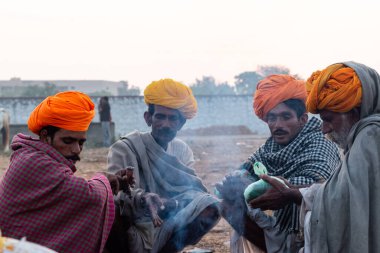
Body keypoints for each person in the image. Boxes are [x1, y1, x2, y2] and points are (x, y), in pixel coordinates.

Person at [250, 61, 380, 252]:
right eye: (272, 118)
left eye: (328, 119)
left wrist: (292, 194)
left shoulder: (370, 135)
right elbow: (342, 193)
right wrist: (293, 191)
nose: (324, 128)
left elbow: (347, 205)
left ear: (354, 112)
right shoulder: (362, 137)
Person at [216, 75, 341, 252]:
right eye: (272, 118)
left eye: (285, 116)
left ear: (303, 119)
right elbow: (246, 169)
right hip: (278, 227)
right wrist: (235, 181)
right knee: (228, 204)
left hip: (310, 227)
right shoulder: (270, 146)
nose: (277, 125)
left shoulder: (320, 142)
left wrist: (280, 189)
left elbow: (320, 188)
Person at [0, 91, 131, 253]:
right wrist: (103, 178)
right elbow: (91, 196)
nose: (76, 150)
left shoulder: (32, 155)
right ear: (45, 136)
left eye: (81, 143)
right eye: (67, 141)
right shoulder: (33, 162)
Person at [107, 78, 220, 253]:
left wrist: (171, 204)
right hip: (132, 228)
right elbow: (117, 195)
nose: (166, 124)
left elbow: (193, 192)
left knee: (210, 206)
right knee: (108, 206)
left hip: (169, 225)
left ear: (181, 123)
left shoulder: (182, 150)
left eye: (172, 118)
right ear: (148, 118)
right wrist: (144, 198)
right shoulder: (125, 148)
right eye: (160, 117)